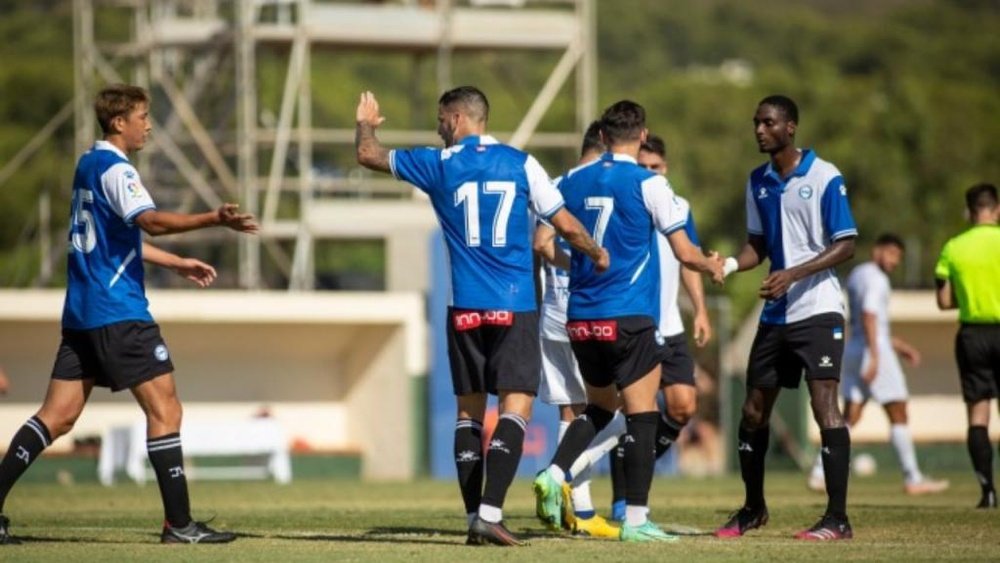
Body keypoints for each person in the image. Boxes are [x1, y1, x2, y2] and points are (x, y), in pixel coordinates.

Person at [0, 84, 257, 545]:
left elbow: (115, 238)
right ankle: (180, 525)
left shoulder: (87, 164)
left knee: (55, 417)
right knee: (166, 408)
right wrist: (213, 218)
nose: (149, 125)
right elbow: (151, 221)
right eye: (143, 116)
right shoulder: (118, 169)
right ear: (119, 123)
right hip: (119, 311)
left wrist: (176, 263)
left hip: (82, 312)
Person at [355, 86, 607, 546]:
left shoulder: (436, 164)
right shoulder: (522, 163)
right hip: (514, 305)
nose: (438, 128)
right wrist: (596, 252)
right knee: (518, 405)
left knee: (469, 412)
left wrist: (366, 122)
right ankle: (489, 514)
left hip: (464, 308)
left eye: (439, 120)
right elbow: (565, 223)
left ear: (455, 120)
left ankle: (476, 516)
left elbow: (368, 155)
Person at [532, 100, 724, 543]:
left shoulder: (569, 180)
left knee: (599, 408)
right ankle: (636, 520)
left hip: (579, 319)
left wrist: (580, 262)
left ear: (601, 137)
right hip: (630, 316)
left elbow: (544, 243)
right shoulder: (649, 183)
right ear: (642, 136)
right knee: (642, 417)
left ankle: (555, 472)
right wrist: (711, 264)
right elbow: (683, 252)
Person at [715, 95, 858, 541]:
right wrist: (731, 265)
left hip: (818, 309)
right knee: (753, 411)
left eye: (768, 122)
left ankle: (837, 518)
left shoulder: (825, 176)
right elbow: (757, 244)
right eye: (756, 122)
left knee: (824, 406)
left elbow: (847, 243)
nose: (759, 129)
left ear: (791, 127)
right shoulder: (756, 181)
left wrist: (793, 273)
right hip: (776, 314)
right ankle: (753, 507)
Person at [808, 234, 949, 495]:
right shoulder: (877, 279)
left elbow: (866, 322)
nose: (895, 262)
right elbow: (870, 315)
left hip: (853, 349)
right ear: (879, 250)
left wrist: (900, 347)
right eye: (893, 254)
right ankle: (912, 477)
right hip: (874, 353)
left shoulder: (858, 274)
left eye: (899, 257)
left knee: (850, 415)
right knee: (898, 412)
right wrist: (875, 356)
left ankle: (819, 472)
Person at [532, 121, 620, 539]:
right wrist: (587, 264)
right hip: (591, 310)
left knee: (572, 410)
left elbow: (541, 244)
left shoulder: (555, 183)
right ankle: (561, 471)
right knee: (624, 410)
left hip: (553, 312)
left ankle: (580, 514)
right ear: (604, 144)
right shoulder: (606, 181)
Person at [934, 182, 1000, 509]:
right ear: (997, 208)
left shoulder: (953, 247)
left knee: (978, 414)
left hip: (973, 334)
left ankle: (988, 492)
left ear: (970, 210)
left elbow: (944, 301)